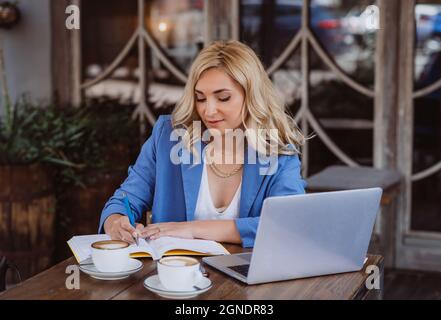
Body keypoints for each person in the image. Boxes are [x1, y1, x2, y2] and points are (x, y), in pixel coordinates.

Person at [99, 40, 307, 248]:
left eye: (223, 98)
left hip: (246, 277)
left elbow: (288, 224)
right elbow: (124, 200)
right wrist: (116, 220)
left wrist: (192, 229)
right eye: (200, 98)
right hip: (174, 274)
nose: (209, 111)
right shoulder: (168, 138)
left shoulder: (279, 155)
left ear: (251, 96)